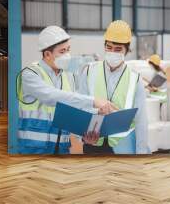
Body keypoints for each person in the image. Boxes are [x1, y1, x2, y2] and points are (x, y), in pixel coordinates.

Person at [17, 25, 116, 154]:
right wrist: (94, 101)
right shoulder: (30, 74)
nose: (67, 55)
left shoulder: (69, 77)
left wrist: (92, 123)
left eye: (68, 50)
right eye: (62, 51)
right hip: (32, 150)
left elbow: (75, 110)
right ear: (47, 54)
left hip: (61, 150)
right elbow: (52, 97)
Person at [79, 20, 149, 154]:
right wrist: (83, 136)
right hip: (92, 143)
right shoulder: (88, 72)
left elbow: (141, 121)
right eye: (109, 47)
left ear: (127, 50)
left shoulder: (135, 79)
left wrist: (142, 153)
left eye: (118, 49)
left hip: (122, 146)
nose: (112, 52)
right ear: (104, 45)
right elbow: (81, 107)